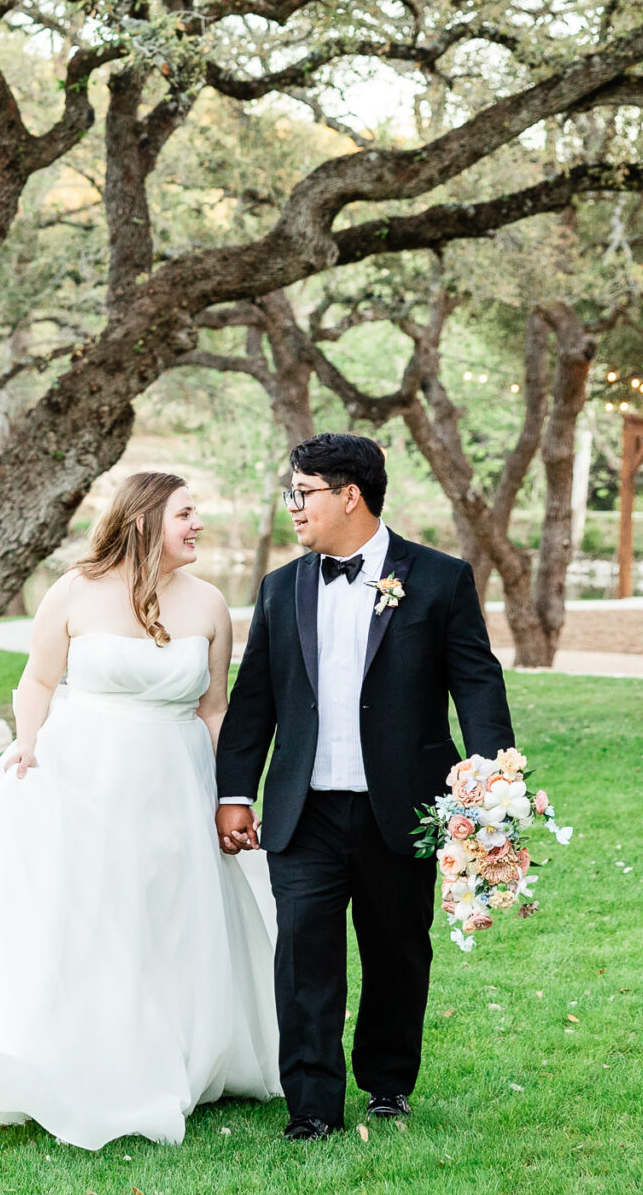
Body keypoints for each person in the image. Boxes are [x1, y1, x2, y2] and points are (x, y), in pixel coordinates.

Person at [0, 471, 281, 1149]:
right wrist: (27, 744)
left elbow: (213, 706)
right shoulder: (75, 590)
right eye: (185, 514)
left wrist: (232, 792)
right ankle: (82, 1058)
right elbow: (39, 679)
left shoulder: (208, 605)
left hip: (176, 775)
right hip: (86, 772)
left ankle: (174, 1053)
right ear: (142, 521)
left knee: (169, 913)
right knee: (90, 915)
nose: (198, 524)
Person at [215, 433, 514, 1141]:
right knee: (304, 956)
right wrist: (236, 790)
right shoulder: (281, 587)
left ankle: (387, 1085)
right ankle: (311, 1106)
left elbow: (475, 681)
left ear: (350, 495)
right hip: (304, 809)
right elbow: (254, 698)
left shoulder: (439, 579)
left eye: (303, 492)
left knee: (397, 951)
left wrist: (493, 781)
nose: (293, 506)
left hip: (402, 806)